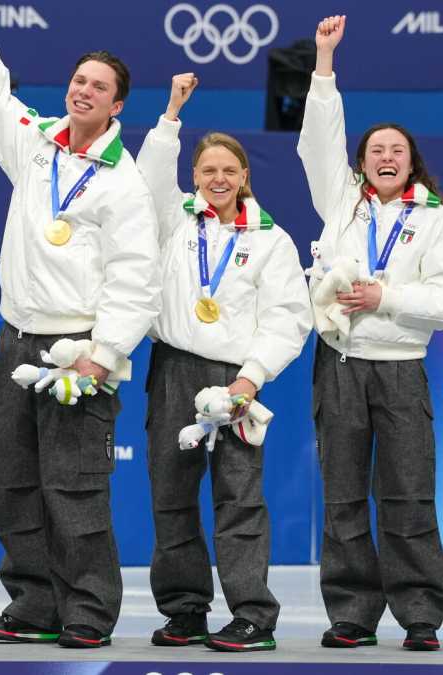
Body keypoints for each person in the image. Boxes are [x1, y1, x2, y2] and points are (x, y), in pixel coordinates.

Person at [0, 0, 160, 650]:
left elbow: (136, 275)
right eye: (79, 80)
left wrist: (104, 356)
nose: (83, 90)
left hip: (78, 350)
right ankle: (33, 601)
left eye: (98, 87)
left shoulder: (123, 184)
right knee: (15, 481)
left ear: (117, 107)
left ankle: (89, 610)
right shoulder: (36, 145)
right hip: (15, 339)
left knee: (74, 489)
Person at [299, 15, 443, 652]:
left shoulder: (437, 222)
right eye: (376, 151)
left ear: (412, 162)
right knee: (342, 497)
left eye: (397, 150)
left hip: (399, 367)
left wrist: (384, 296)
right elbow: (320, 139)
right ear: (362, 164)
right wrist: (323, 62)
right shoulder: (342, 204)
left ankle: (420, 614)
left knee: (408, 496)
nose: (386, 157)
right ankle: (351, 613)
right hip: (339, 363)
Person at [134, 73, 311, 653]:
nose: (217, 179)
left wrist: (250, 376)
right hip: (174, 369)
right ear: (194, 176)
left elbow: (289, 317)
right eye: (207, 170)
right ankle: (184, 610)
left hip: (236, 379)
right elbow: (149, 176)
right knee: (172, 495)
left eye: (228, 171)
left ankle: (252, 615)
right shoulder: (172, 222)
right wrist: (170, 114)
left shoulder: (270, 240)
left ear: (244, 178)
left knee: (239, 498)